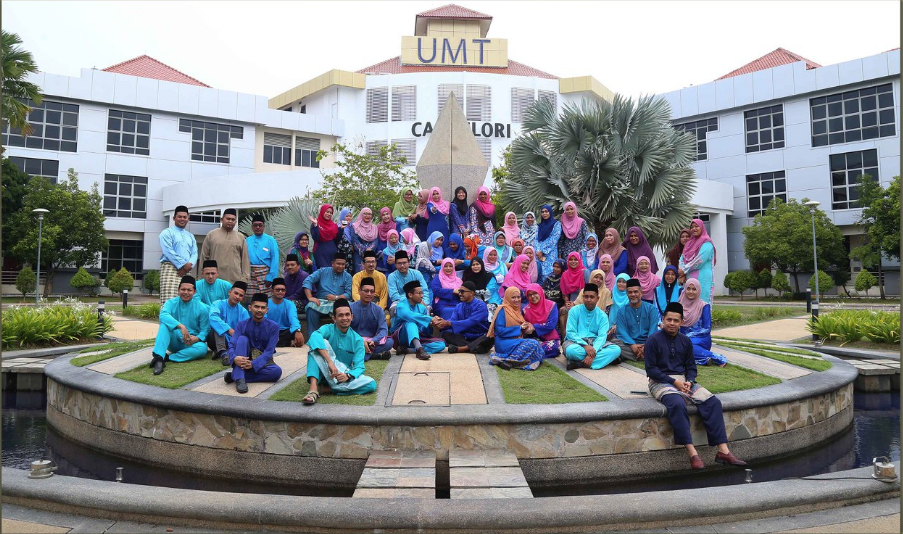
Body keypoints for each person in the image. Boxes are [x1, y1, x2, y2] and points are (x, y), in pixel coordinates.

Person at [645, 302, 746, 470]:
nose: (672, 323)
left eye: (676, 320)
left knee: (713, 402)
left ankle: (723, 451)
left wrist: (689, 381)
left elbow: (691, 367)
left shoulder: (685, 341)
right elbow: (651, 370)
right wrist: (674, 382)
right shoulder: (653, 340)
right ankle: (693, 454)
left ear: (681, 322)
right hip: (659, 382)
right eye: (669, 319)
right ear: (663, 319)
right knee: (677, 403)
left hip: (683, 381)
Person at [301, 298, 378, 405]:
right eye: (340, 315)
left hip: (340, 376)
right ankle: (313, 389)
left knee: (371, 384)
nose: (345, 318)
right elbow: (314, 336)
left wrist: (348, 376)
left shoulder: (358, 340)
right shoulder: (327, 329)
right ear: (334, 318)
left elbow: (359, 366)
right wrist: (330, 362)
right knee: (317, 345)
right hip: (324, 370)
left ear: (352, 317)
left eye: (347, 315)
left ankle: (325, 389)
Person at [149, 275, 210, 376]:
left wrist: (197, 338)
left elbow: (205, 329)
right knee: (165, 325)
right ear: (178, 290)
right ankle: (159, 358)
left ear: (194, 292)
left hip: (189, 343)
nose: (186, 292)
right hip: (173, 340)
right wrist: (181, 326)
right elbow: (163, 315)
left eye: (189, 290)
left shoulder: (202, 308)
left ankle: (168, 358)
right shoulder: (170, 303)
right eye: (183, 289)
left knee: (202, 348)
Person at [223, 293, 282, 394]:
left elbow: (269, 351)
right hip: (243, 358)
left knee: (276, 372)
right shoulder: (242, 324)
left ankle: (235, 375)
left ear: (267, 310)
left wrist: (253, 364)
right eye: (256, 307)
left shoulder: (274, 327)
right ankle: (240, 380)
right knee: (242, 339)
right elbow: (232, 344)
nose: (259, 310)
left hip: (262, 362)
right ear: (250, 308)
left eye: (263, 307)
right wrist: (234, 358)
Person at [563, 283, 621, 370]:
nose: (588, 299)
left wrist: (593, 350)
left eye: (592, 297)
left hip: (595, 342)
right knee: (570, 351)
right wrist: (585, 346)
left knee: (616, 350)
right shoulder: (574, 311)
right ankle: (605, 360)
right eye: (586, 297)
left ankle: (579, 364)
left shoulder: (602, 315)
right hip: (576, 342)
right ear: (583, 297)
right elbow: (570, 332)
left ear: (597, 298)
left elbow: (602, 336)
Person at [487, 287, 545, 371]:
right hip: (504, 342)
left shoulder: (517, 310)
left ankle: (508, 361)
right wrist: (519, 328)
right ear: (507, 297)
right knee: (533, 343)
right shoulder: (502, 310)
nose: (517, 300)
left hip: (516, 341)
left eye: (518, 297)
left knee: (539, 349)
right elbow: (500, 331)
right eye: (513, 297)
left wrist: (526, 327)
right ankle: (503, 359)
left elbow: (521, 328)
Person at [678, 279, 728, 366]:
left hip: (701, 338)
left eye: (694, 289)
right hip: (681, 339)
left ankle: (718, 358)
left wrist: (689, 336)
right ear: (684, 289)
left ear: (698, 290)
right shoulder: (679, 305)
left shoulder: (704, 306)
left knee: (686, 346)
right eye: (688, 288)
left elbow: (707, 329)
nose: (691, 292)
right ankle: (704, 360)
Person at [391, 281, 446, 360]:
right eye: (419, 293)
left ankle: (408, 350)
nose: (422, 296)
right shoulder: (401, 306)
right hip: (401, 337)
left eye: (422, 293)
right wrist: (430, 318)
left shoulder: (422, 308)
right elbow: (409, 315)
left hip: (417, 338)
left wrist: (430, 324)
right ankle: (419, 350)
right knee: (410, 323)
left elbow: (422, 330)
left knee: (441, 345)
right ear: (410, 295)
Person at [302, 253, 353, 338]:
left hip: (339, 302)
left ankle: (343, 337)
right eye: (338, 263)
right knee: (311, 307)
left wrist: (336, 298)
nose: (341, 266)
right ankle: (313, 336)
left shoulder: (348, 276)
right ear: (332, 263)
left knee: (351, 307)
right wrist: (310, 297)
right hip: (321, 302)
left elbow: (348, 294)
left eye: (343, 264)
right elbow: (307, 281)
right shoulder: (322, 271)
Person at [437, 281, 493, 353]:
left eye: (462, 292)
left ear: (471, 293)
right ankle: (474, 347)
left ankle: (463, 348)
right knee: (445, 334)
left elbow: (471, 321)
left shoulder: (481, 305)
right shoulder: (459, 306)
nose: (460, 294)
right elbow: (453, 320)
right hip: (464, 336)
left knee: (490, 336)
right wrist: (441, 322)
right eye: (459, 291)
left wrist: (448, 323)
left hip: (479, 335)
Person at [198, 208, 250, 285]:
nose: (230, 221)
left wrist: (245, 279)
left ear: (235, 222)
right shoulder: (211, 234)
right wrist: (201, 277)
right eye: (228, 219)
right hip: (214, 279)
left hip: (235, 279)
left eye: (233, 219)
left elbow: (245, 259)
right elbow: (204, 256)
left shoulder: (240, 237)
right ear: (222, 219)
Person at [613, 279, 660, 361]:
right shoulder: (621, 311)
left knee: (661, 343)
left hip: (649, 342)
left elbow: (653, 330)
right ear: (627, 294)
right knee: (614, 344)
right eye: (630, 292)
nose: (633, 294)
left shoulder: (651, 309)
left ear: (641, 292)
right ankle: (644, 354)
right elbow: (621, 331)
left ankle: (637, 353)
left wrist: (647, 345)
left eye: (635, 292)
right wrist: (632, 345)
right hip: (629, 343)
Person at [159, 205, 198, 303]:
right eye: (179, 217)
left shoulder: (190, 236)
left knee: (187, 300)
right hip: (170, 268)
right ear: (174, 218)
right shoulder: (166, 233)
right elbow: (168, 251)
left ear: (188, 219)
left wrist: (189, 265)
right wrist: (183, 265)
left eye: (185, 217)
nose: (182, 219)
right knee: (169, 301)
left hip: (187, 270)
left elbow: (195, 252)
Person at [350, 277, 394, 360]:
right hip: (354, 340)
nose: (369, 294)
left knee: (390, 342)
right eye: (366, 291)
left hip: (371, 341)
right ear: (359, 291)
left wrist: (374, 340)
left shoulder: (378, 310)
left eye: (372, 291)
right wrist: (360, 341)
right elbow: (346, 329)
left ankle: (361, 353)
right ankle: (375, 355)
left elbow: (383, 330)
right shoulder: (350, 308)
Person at [208, 281, 250, 365]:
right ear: (229, 292)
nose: (237, 297)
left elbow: (247, 329)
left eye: (241, 295)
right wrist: (228, 329)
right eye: (236, 293)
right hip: (215, 339)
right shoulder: (217, 304)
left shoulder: (243, 311)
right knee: (218, 327)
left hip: (233, 341)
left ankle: (221, 352)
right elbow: (213, 317)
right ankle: (223, 353)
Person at [679, 219, 717, 305]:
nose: (694, 229)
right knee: (688, 304)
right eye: (692, 227)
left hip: (703, 278)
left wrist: (683, 270)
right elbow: (682, 258)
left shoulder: (707, 243)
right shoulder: (689, 243)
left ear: (702, 227)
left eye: (697, 226)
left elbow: (699, 260)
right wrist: (681, 272)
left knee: (702, 303)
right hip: (689, 277)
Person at [245, 214, 279, 298]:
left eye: (260, 225)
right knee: (250, 300)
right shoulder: (247, 240)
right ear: (252, 227)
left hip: (265, 275)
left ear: (264, 226)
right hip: (250, 274)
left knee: (265, 300)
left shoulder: (270, 240)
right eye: (255, 225)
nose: (258, 227)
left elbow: (275, 259)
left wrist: (271, 277)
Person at [523, 283, 560, 358]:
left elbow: (551, 325)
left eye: (535, 293)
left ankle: (531, 354)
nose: (532, 296)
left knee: (553, 348)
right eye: (530, 295)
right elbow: (525, 327)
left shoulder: (551, 305)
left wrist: (534, 327)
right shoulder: (525, 310)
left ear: (540, 292)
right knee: (526, 346)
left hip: (550, 338)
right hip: (534, 338)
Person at [267, 278, 305, 348]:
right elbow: (264, 321)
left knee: (296, 332)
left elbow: (293, 319)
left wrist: (298, 330)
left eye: (283, 290)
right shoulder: (266, 303)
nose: (280, 292)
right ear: (272, 291)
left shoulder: (290, 304)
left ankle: (275, 342)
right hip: (270, 331)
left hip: (284, 332)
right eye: (277, 290)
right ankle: (287, 343)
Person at [308, 204, 343, 271]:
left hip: (332, 253)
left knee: (333, 272)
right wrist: (316, 226)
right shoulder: (316, 223)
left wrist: (341, 229)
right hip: (321, 253)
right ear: (322, 211)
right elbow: (316, 238)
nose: (329, 214)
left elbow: (336, 240)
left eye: (331, 213)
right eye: (327, 212)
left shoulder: (333, 225)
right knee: (323, 272)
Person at [535, 204, 561, 283]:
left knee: (550, 274)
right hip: (539, 255)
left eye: (546, 211)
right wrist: (538, 251)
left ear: (550, 212)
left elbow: (554, 239)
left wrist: (543, 251)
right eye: (542, 212)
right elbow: (536, 239)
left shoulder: (556, 224)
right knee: (539, 273)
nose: (544, 213)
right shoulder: (539, 226)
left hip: (550, 253)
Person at [283, 254, 309, 318]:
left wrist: (284, 300)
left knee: (286, 306)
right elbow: (285, 292)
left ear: (298, 266)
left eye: (292, 265)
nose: (289, 267)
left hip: (304, 302)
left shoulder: (304, 276)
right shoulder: (287, 277)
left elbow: (299, 294)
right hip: (289, 300)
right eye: (287, 265)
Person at [607, 273, 631, 340]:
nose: (621, 284)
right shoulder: (612, 294)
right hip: (610, 325)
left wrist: (618, 325)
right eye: (619, 281)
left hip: (626, 326)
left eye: (624, 282)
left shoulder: (631, 297)